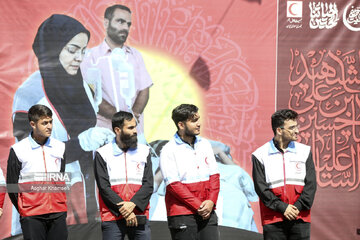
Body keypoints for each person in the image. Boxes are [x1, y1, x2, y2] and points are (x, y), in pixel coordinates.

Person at [12, 14, 114, 226]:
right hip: (49, 201)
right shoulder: (29, 95)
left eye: (83, 51)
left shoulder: (80, 84)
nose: (80, 57)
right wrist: (82, 144)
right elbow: (29, 155)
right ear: (52, 49)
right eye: (72, 50)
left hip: (87, 198)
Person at [81, 4, 153, 140]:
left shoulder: (135, 55)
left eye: (128, 24)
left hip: (134, 133)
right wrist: (119, 118)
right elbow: (90, 94)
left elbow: (144, 89)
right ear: (106, 23)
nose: (125, 27)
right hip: (105, 134)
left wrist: (132, 117)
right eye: (120, 21)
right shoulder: (91, 57)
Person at [252, 109, 317, 240]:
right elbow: (261, 188)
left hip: (300, 218)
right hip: (273, 220)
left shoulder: (304, 152)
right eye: (292, 128)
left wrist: (297, 207)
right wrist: (282, 208)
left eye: (297, 126)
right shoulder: (260, 155)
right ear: (279, 130)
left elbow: (311, 184)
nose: (297, 131)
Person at [159, 104, 220, 240]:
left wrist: (211, 202)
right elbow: (173, 185)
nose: (199, 124)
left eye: (198, 119)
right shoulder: (168, 150)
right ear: (181, 125)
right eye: (193, 121)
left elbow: (214, 177)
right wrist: (199, 206)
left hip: (208, 211)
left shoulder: (205, 144)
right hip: (182, 213)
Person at [7, 104, 68, 239]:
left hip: (58, 212)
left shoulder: (60, 147)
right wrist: (24, 209)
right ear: (33, 124)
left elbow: (61, 176)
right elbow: (11, 185)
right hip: (31, 215)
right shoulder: (18, 149)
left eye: (51, 122)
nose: (49, 126)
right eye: (44, 123)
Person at [94, 111, 153, 240]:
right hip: (112, 217)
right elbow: (103, 187)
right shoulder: (102, 153)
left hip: (139, 214)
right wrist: (125, 210)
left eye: (135, 126)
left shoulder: (144, 151)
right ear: (117, 130)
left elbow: (148, 185)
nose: (135, 131)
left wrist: (132, 205)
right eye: (130, 127)